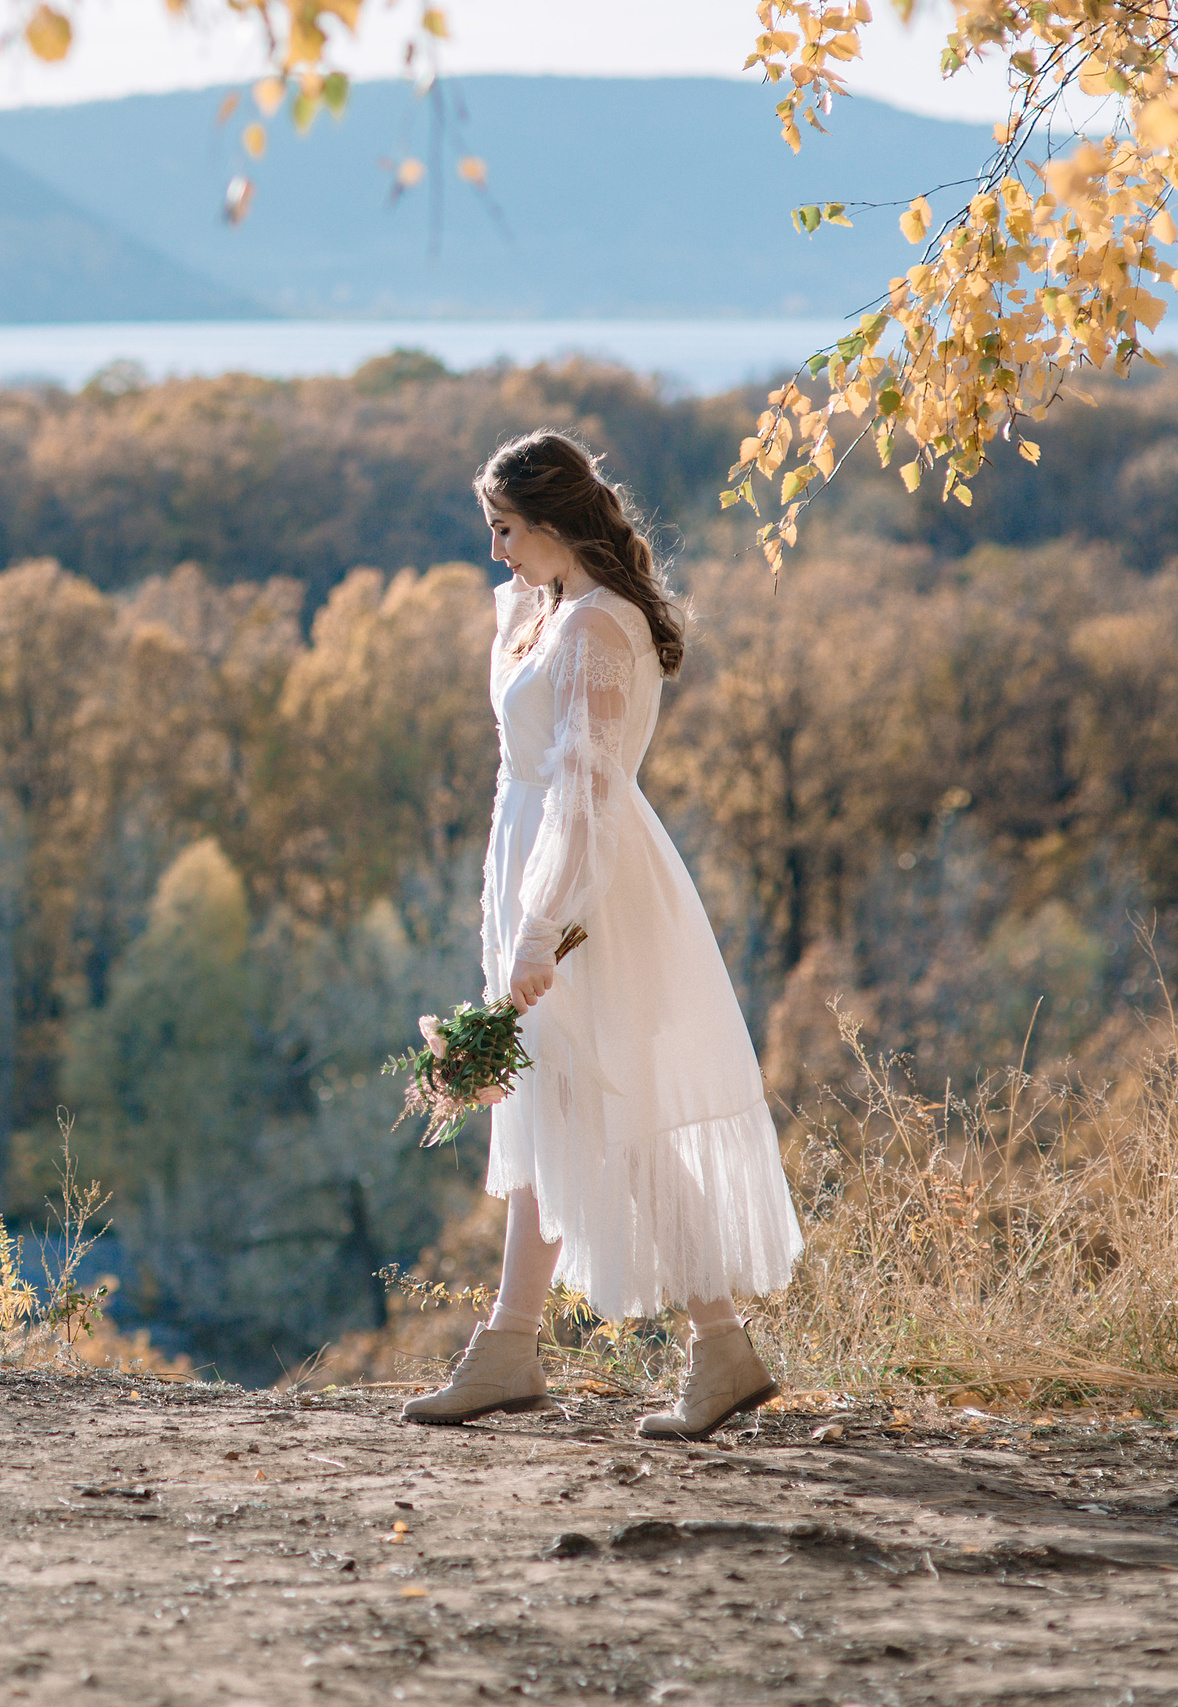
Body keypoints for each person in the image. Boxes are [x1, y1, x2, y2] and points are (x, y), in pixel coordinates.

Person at [401, 430, 804, 1439]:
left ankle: (716, 1346)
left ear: (547, 524)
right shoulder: (553, 617)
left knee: (601, 1108)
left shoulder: (593, 629)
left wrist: (543, 929)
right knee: (553, 1104)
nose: (494, 552)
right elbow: (534, 775)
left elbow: (586, 793)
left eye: (503, 530)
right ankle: (512, 1345)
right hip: (535, 873)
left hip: (585, 893)